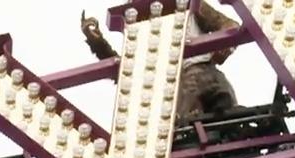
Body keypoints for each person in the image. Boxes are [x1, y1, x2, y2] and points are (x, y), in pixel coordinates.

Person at [81, 4, 242, 125]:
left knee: (227, 110)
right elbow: (127, 71)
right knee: (192, 122)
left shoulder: (190, 5)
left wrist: (223, 44)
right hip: (179, 82)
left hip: (204, 71)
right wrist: (98, 44)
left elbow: (229, 25)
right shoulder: (141, 27)